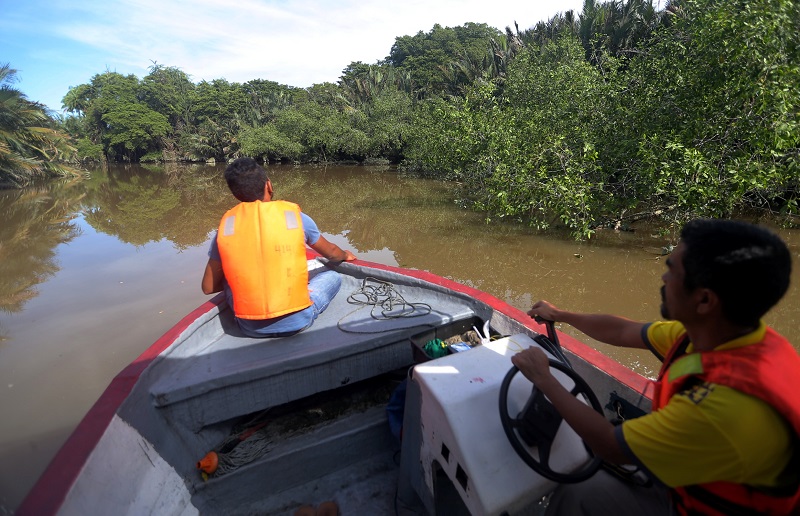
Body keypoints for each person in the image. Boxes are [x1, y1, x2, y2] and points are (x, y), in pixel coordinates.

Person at [511, 218, 800, 515]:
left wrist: (544, 379)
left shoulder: (725, 408)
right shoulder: (715, 335)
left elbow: (609, 446)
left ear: (704, 299)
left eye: (671, 270)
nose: (663, 279)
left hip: (701, 505)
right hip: (695, 476)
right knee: (585, 487)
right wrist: (560, 314)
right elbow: (621, 331)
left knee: (579, 492)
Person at [202, 157, 356, 337]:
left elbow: (208, 287)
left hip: (250, 328)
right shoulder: (295, 218)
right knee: (333, 276)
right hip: (299, 321)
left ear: (235, 195)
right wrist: (345, 255)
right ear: (269, 185)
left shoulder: (227, 228)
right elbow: (332, 254)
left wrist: (241, 279)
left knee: (228, 280)